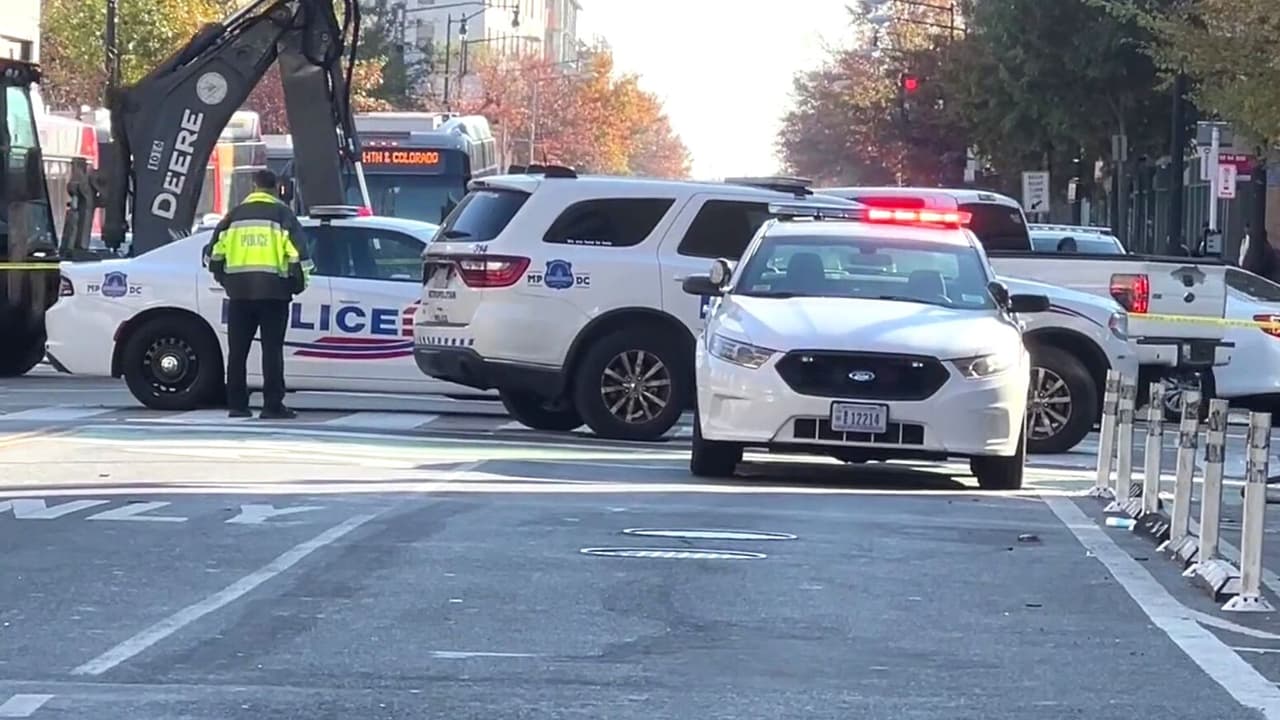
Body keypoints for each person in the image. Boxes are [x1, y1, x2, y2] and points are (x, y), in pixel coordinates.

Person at [205, 169, 312, 419]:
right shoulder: (282, 214)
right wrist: (296, 285)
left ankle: (237, 406)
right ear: (275, 188)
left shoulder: (233, 216)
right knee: (272, 351)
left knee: (237, 351)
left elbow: (213, 256)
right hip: (275, 295)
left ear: (253, 188)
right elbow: (300, 256)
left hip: (239, 295)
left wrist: (227, 281)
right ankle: (272, 405)